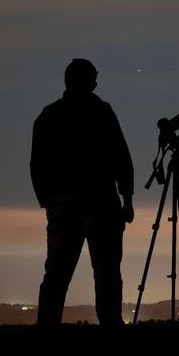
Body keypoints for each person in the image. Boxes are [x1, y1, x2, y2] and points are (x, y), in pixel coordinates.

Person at [30, 58, 135, 328]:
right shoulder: (101, 111)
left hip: (63, 205)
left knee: (57, 273)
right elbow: (120, 156)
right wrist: (127, 198)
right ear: (89, 81)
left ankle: (47, 327)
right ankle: (110, 325)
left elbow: (37, 164)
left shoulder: (48, 115)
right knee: (106, 271)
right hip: (100, 203)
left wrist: (48, 201)